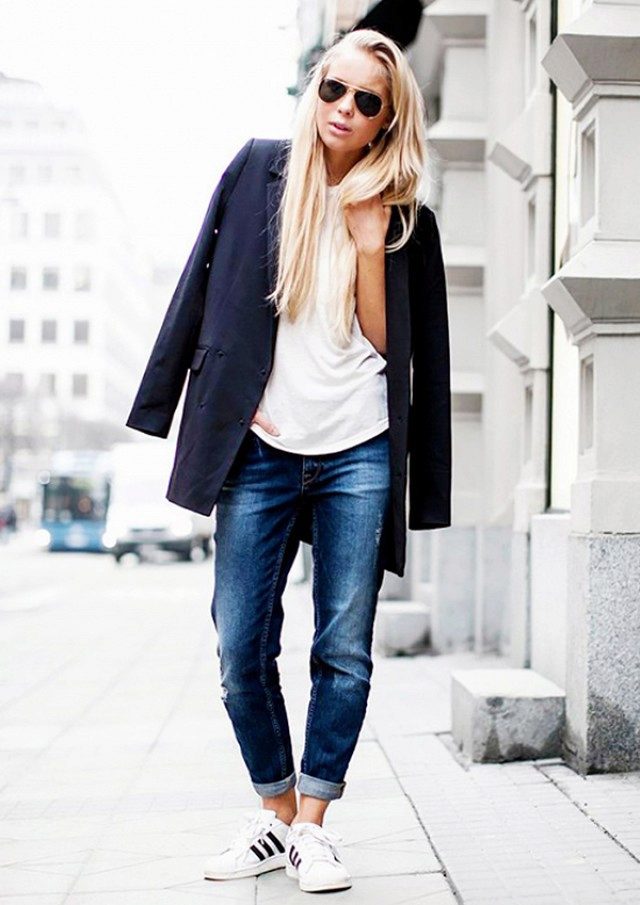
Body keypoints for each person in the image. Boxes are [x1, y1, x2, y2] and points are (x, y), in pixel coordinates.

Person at [126, 27, 451, 895]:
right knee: (240, 645)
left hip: (357, 450)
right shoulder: (257, 170)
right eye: (332, 87)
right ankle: (274, 811)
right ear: (315, 89)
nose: (343, 108)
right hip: (260, 446)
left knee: (343, 649)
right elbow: (199, 284)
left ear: (388, 121)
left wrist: (370, 241)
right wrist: (163, 403)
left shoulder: (405, 217)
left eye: (366, 101)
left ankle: (312, 825)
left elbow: (398, 349)